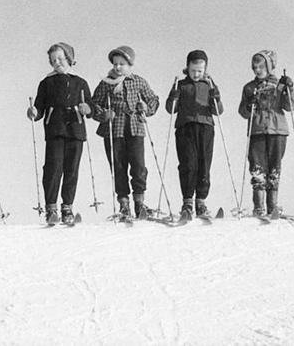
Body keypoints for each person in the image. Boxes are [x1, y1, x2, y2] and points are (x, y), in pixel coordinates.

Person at [90, 45, 159, 220]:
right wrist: (103, 114)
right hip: (114, 129)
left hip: (135, 127)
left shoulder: (138, 81)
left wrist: (146, 108)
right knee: (119, 166)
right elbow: (94, 104)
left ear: (130, 64)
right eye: (115, 63)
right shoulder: (106, 83)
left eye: (122, 63)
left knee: (138, 165)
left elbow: (153, 99)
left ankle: (139, 202)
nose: (117, 67)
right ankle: (124, 204)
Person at [27, 42, 92, 225]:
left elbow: (90, 105)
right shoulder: (47, 83)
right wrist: (34, 112)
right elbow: (39, 107)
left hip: (75, 129)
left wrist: (87, 108)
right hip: (55, 129)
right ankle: (51, 208)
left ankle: (67, 207)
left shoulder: (80, 82)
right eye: (53, 60)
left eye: (61, 58)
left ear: (69, 59)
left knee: (71, 169)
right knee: (53, 167)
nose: (57, 63)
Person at [165, 50, 224, 220]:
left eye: (200, 71)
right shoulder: (181, 85)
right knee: (188, 164)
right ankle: (187, 201)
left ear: (205, 70)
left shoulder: (209, 85)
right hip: (185, 128)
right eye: (193, 70)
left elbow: (218, 111)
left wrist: (216, 98)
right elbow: (171, 109)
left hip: (206, 127)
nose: (196, 74)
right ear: (187, 68)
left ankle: (201, 201)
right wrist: (173, 96)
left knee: (204, 165)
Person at [238, 50, 294, 217]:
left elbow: (290, 106)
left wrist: (289, 89)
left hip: (277, 130)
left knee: (274, 167)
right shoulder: (249, 87)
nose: (258, 70)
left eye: (261, 66)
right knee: (257, 167)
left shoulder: (279, 84)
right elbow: (242, 112)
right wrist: (250, 105)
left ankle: (273, 206)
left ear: (269, 66)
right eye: (255, 67)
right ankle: (258, 206)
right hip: (257, 130)